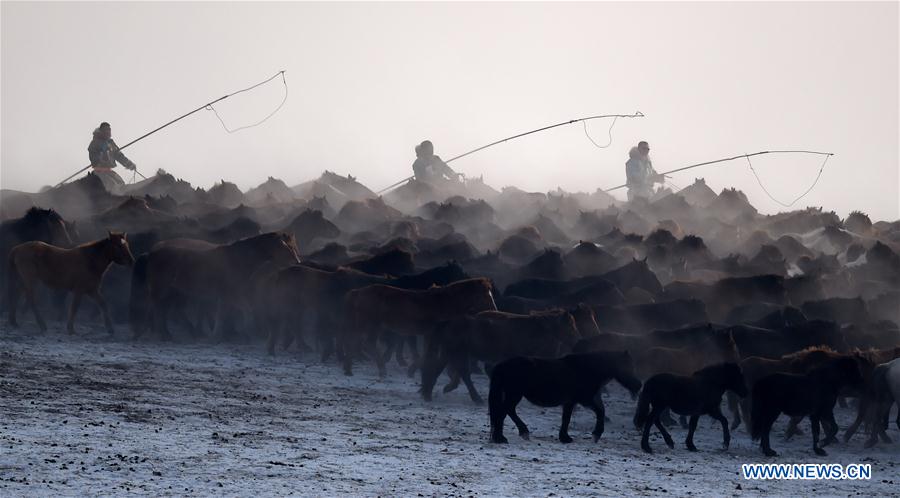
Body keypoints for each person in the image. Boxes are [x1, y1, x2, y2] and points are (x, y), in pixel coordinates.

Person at [88, 122, 137, 191]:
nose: (108, 132)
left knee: (121, 183)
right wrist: (99, 161)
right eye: (105, 130)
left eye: (109, 130)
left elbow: (119, 155)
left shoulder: (110, 143)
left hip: (109, 170)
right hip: (99, 172)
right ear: (101, 131)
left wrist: (129, 164)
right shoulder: (95, 142)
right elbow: (92, 154)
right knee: (113, 187)